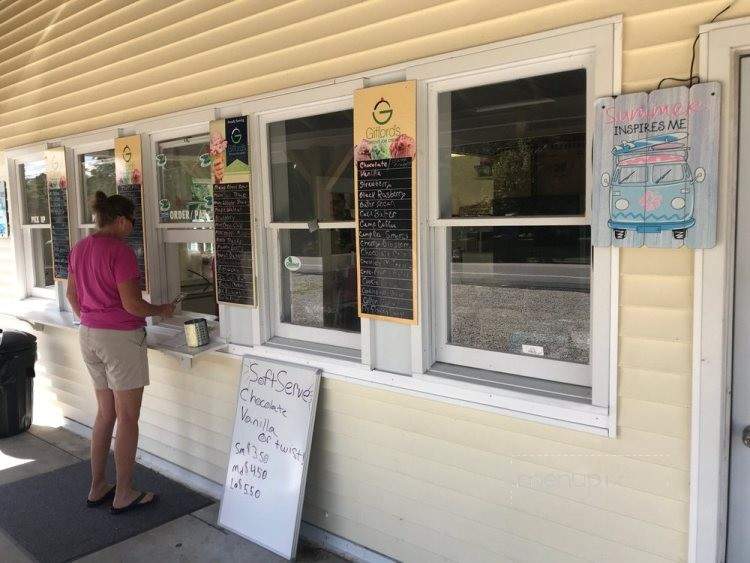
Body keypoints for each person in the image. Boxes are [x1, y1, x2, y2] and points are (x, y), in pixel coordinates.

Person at [66, 191, 175, 514]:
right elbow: (132, 304)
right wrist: (163, 310)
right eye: (131, 221)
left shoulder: (80, 248)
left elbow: (72, 296)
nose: (132, 227)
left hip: (88, 335)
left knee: (105, 414)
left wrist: (92, 318)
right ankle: (124, 492)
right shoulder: (121, 252)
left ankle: (98, 485)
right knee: (127, 417)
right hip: (119, 339)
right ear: (121, 220)